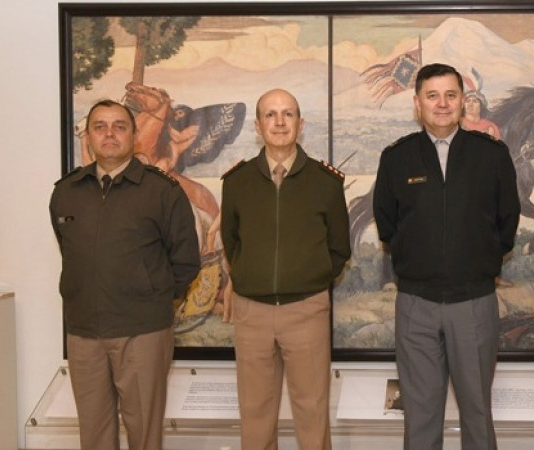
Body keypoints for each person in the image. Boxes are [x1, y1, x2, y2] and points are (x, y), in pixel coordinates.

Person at [373, 63, 520, 450]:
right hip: (415, 305)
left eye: (451, 95)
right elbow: (387, 226)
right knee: (420, 417)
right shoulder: (396, 158)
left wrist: (478, 259)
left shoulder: (491, 155)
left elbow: (508, 222)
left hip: (473, 302)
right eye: (432, 96)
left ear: (462, 101)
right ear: (417, 103)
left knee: (477, 414)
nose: (442, 104)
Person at [49, 99, 201, 450]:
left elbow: (185, 261)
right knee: (94, 434)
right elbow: (69, 251)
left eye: (119, 126)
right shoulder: (65, 193)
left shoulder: (162, 191)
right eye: (100, 126)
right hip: (84, 333)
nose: (110, 134)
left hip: (143, 332)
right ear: (88, 137)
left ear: (134, 135)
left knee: (144, 433)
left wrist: (153, 297)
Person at [220, 88, 351, 450]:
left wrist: (312, 280)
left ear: (300, 123)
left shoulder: (326, 183)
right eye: (271, 115)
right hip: (252, 312)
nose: (279, 122)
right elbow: (232, 244)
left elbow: (339, 247)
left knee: (311, 413)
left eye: (288, 114)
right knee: (256, 414)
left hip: (306, 310)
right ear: (258, 126)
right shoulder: (237, 182)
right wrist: (250, 277)